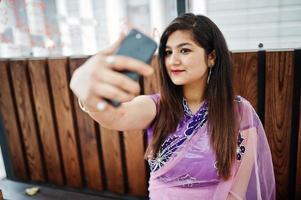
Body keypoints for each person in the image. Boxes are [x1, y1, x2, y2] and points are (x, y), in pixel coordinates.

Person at [70, 13, 275, 200]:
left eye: (184, 50)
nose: (173, 61)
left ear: (211, 57)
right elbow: (118, 116)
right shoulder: (157, 106)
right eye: (168, 52)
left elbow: (236, 191)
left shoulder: (239, 111)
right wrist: (88, 97)